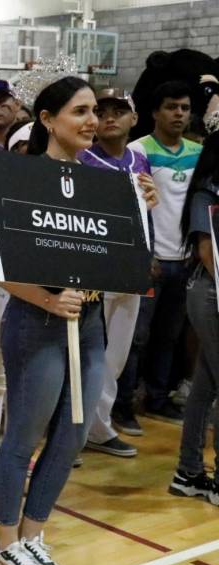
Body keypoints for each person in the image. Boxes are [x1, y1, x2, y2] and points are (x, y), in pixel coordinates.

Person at [0, 76, 107, 565]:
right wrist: (47, 298)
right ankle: (4, 545)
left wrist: (138, 215)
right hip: (37, 321)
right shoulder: (21, 177)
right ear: (47, 119)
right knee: (23, 437)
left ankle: (34, 533)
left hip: (91, 323)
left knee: (74, 433)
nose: (92, 121)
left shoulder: (105, 181)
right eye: (80, 111)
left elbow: (116, 258)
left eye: (95, 111)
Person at [117, 81, 201, 424]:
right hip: (150, 261)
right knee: (135, 337)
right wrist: (142, 253)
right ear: (154, 112)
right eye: (171, 107)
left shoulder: (197, 153)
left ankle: (157, 397)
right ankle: (122, 404)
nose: (178, 113)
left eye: (184, 108)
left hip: (184, 261)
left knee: (170, 336)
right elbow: (131, 208)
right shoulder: (138, 151)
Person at [80, 88, 156, 458]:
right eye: (102, 110)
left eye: (119, 110)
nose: (110, 117)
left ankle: (99, 426)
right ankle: (72, 431)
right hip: (96, 270)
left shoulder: (140, 160)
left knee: (117, 355)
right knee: (86, 354)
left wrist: (150, 251)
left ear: (134, 118)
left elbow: (146, 211)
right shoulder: (82, 160)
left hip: (132, 268)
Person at [173, 131, 219, 506]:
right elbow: (207, 252)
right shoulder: (206, 192)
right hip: (209, 290)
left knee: (205, 385)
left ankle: (188, 472)